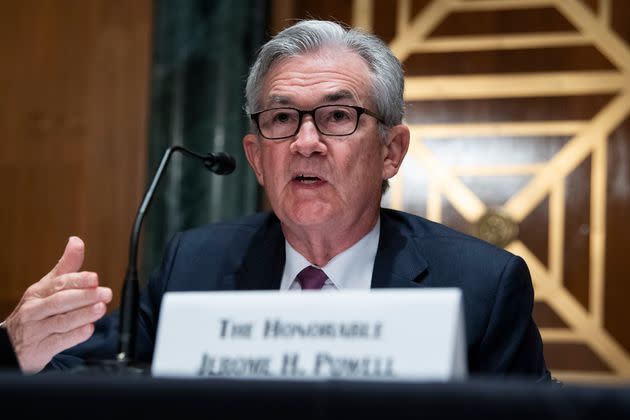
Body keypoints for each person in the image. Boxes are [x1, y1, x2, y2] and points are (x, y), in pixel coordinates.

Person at [0, 19, 550, 381]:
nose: (305, 143)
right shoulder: (196, 263)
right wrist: (19, 345)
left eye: (338, 116)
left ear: (391, 150)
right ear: (258, 157)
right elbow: (79, 371)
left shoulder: (481, 284)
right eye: (282, 118)